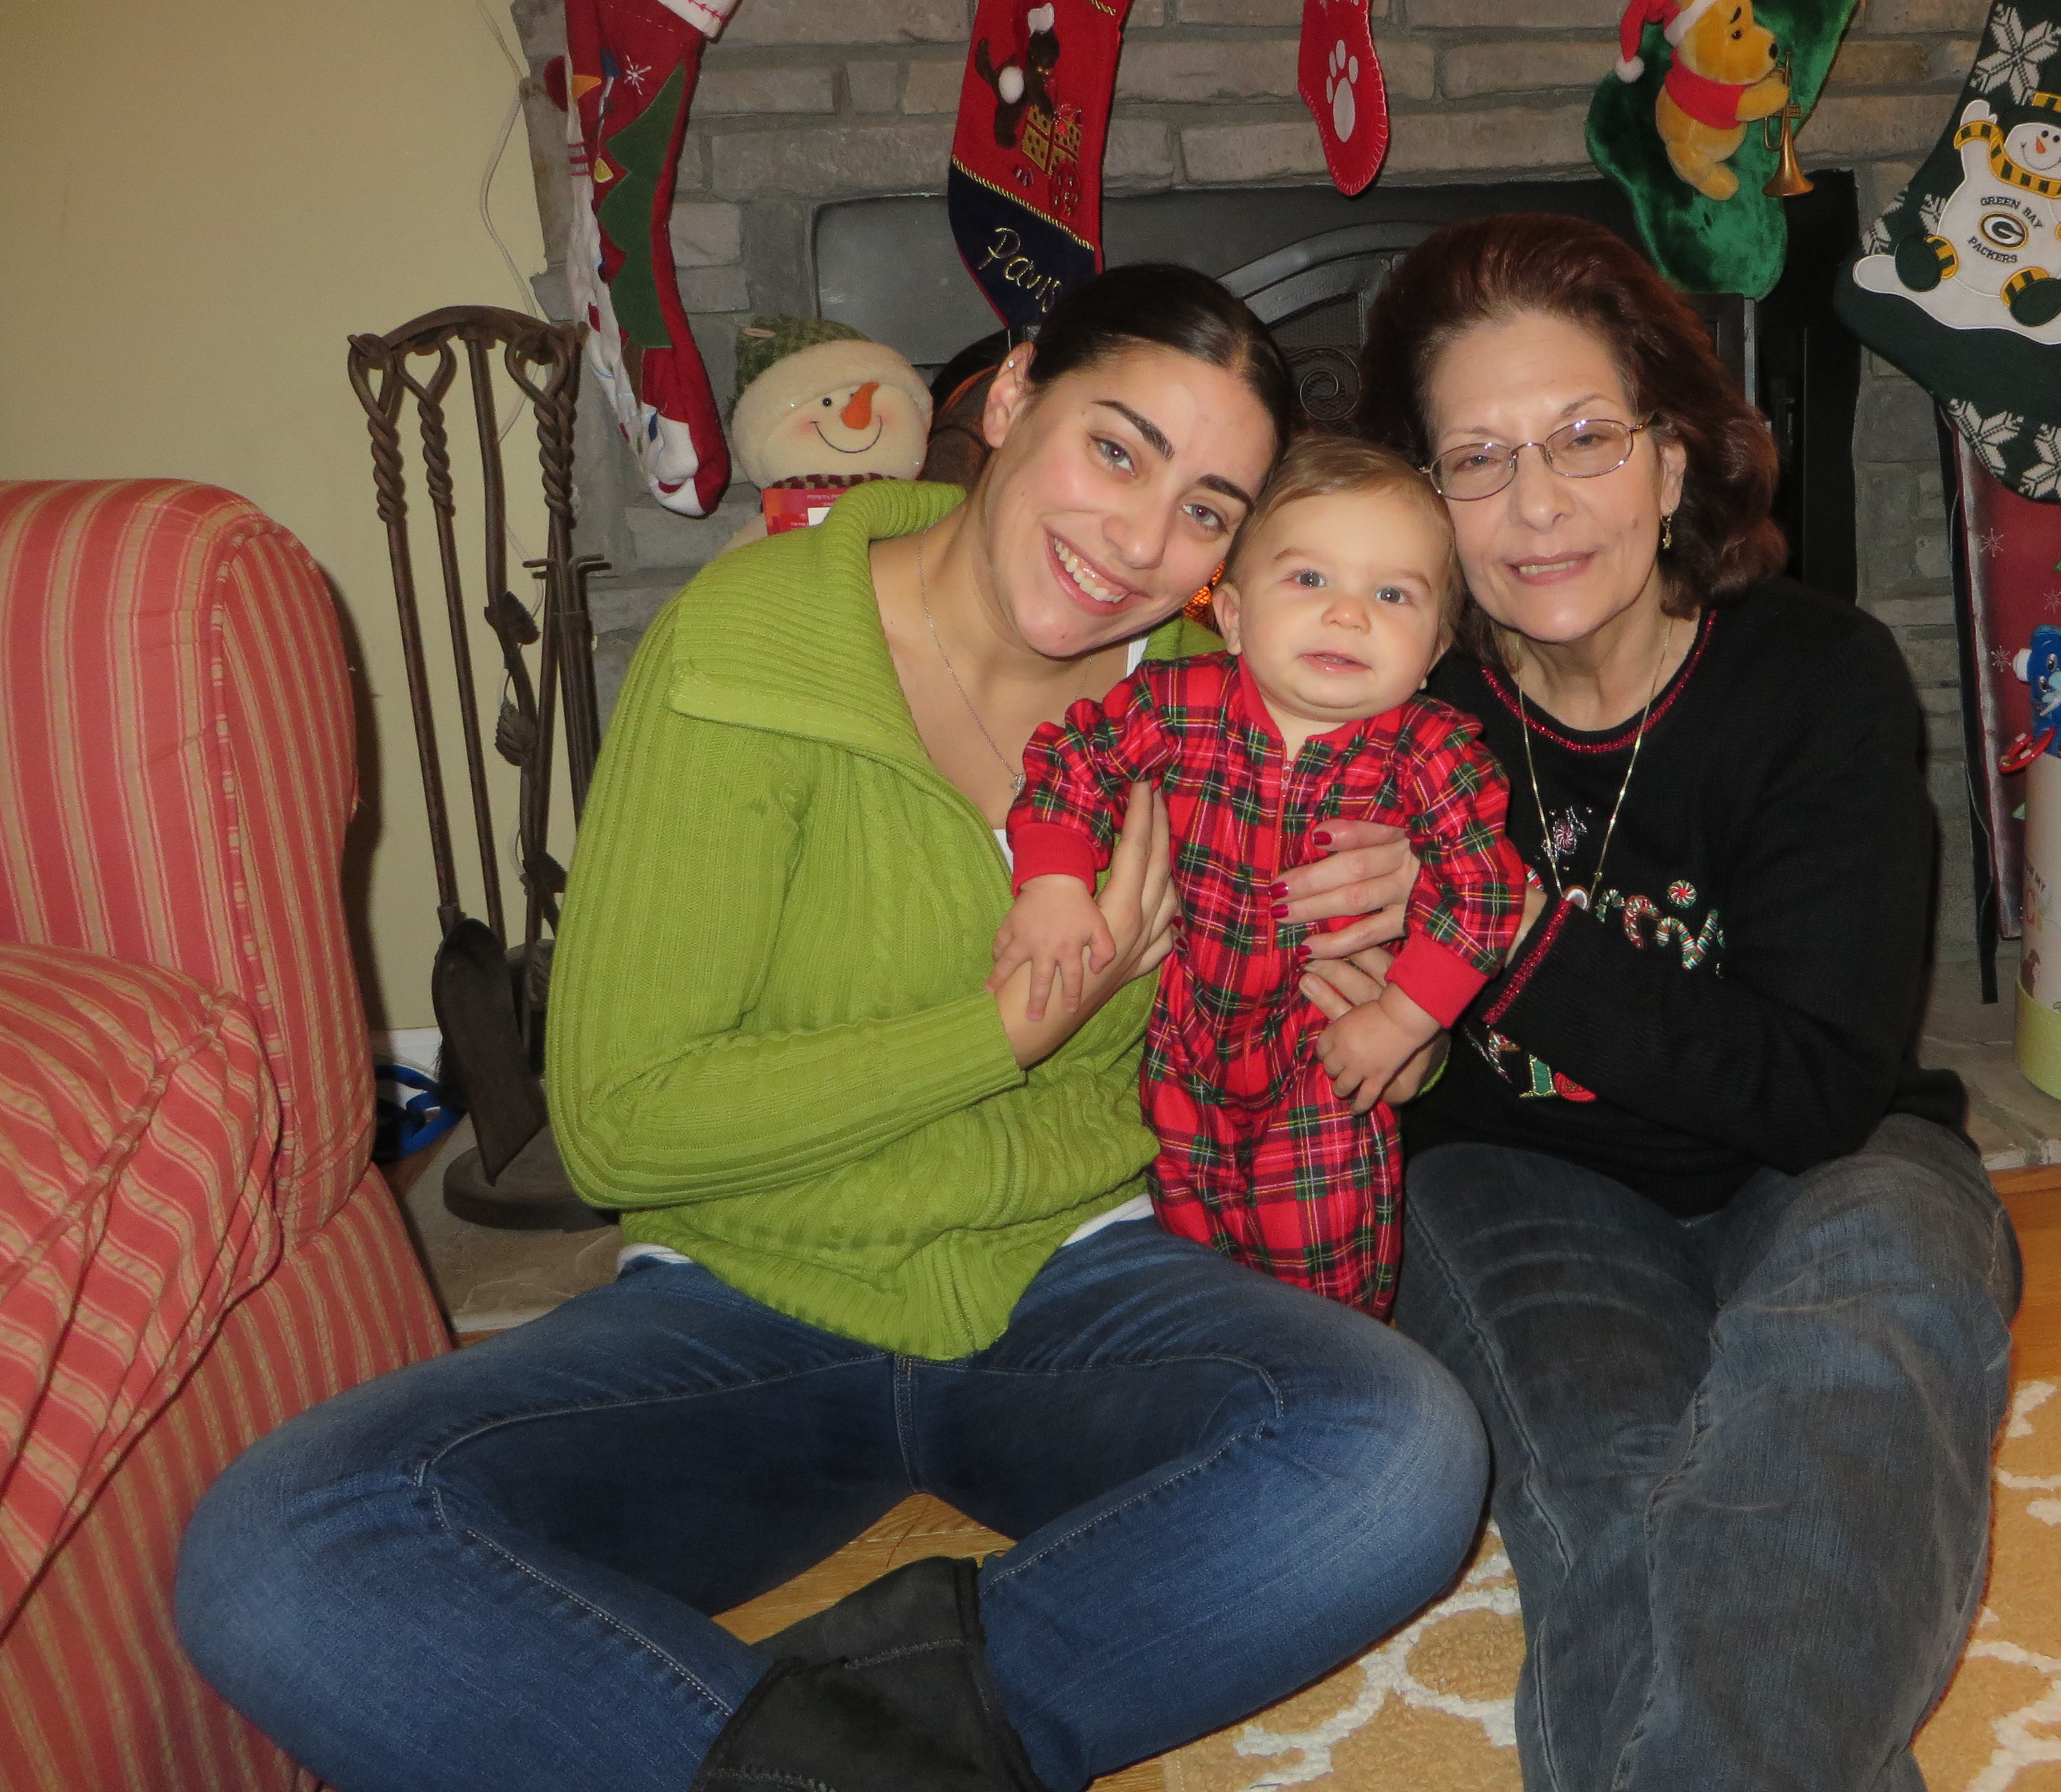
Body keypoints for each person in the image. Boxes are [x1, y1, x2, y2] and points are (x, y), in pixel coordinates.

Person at [173, 265, 1487, 1792]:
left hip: (1076, 1288)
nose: (1139, 540)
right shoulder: (748, 650)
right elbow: (615, 1128)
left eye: (1205, 510)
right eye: (1114, 449)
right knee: (284, 1546)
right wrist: (994, 1032)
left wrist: (1386, 989)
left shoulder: (1235, 700)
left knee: (1398, 1451)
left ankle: (806, 1759)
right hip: (743, 1315)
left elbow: (1313, 1035)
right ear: (1010, 398)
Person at [1311, 212, 2023, 1792]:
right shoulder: (1382, 710)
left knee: (1851, 1367)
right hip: (1517, 1178)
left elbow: (1818, 1088)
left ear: (1672, 458)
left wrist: (1494, 935)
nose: (1537, 504)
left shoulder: (1815, 680)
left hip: (1828, 1157)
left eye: (1582, 438)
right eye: (1475, 461)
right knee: (1618, 1480)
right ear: (1418, 499)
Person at [994, 433, 1527, 1316]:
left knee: (1326, 1271)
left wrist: (1402, 1021)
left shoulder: (1432, 754)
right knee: (1186, 1271)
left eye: (1392, 595)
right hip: (1178, 1045)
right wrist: (1053, 883)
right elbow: (1073, 761)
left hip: (1327, 1051)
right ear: (1235, 615)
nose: (1348, 615)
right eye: (1310, 579)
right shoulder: (1177, 704)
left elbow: (1485, 893)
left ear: (1435, 648)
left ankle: (1331, 1362)